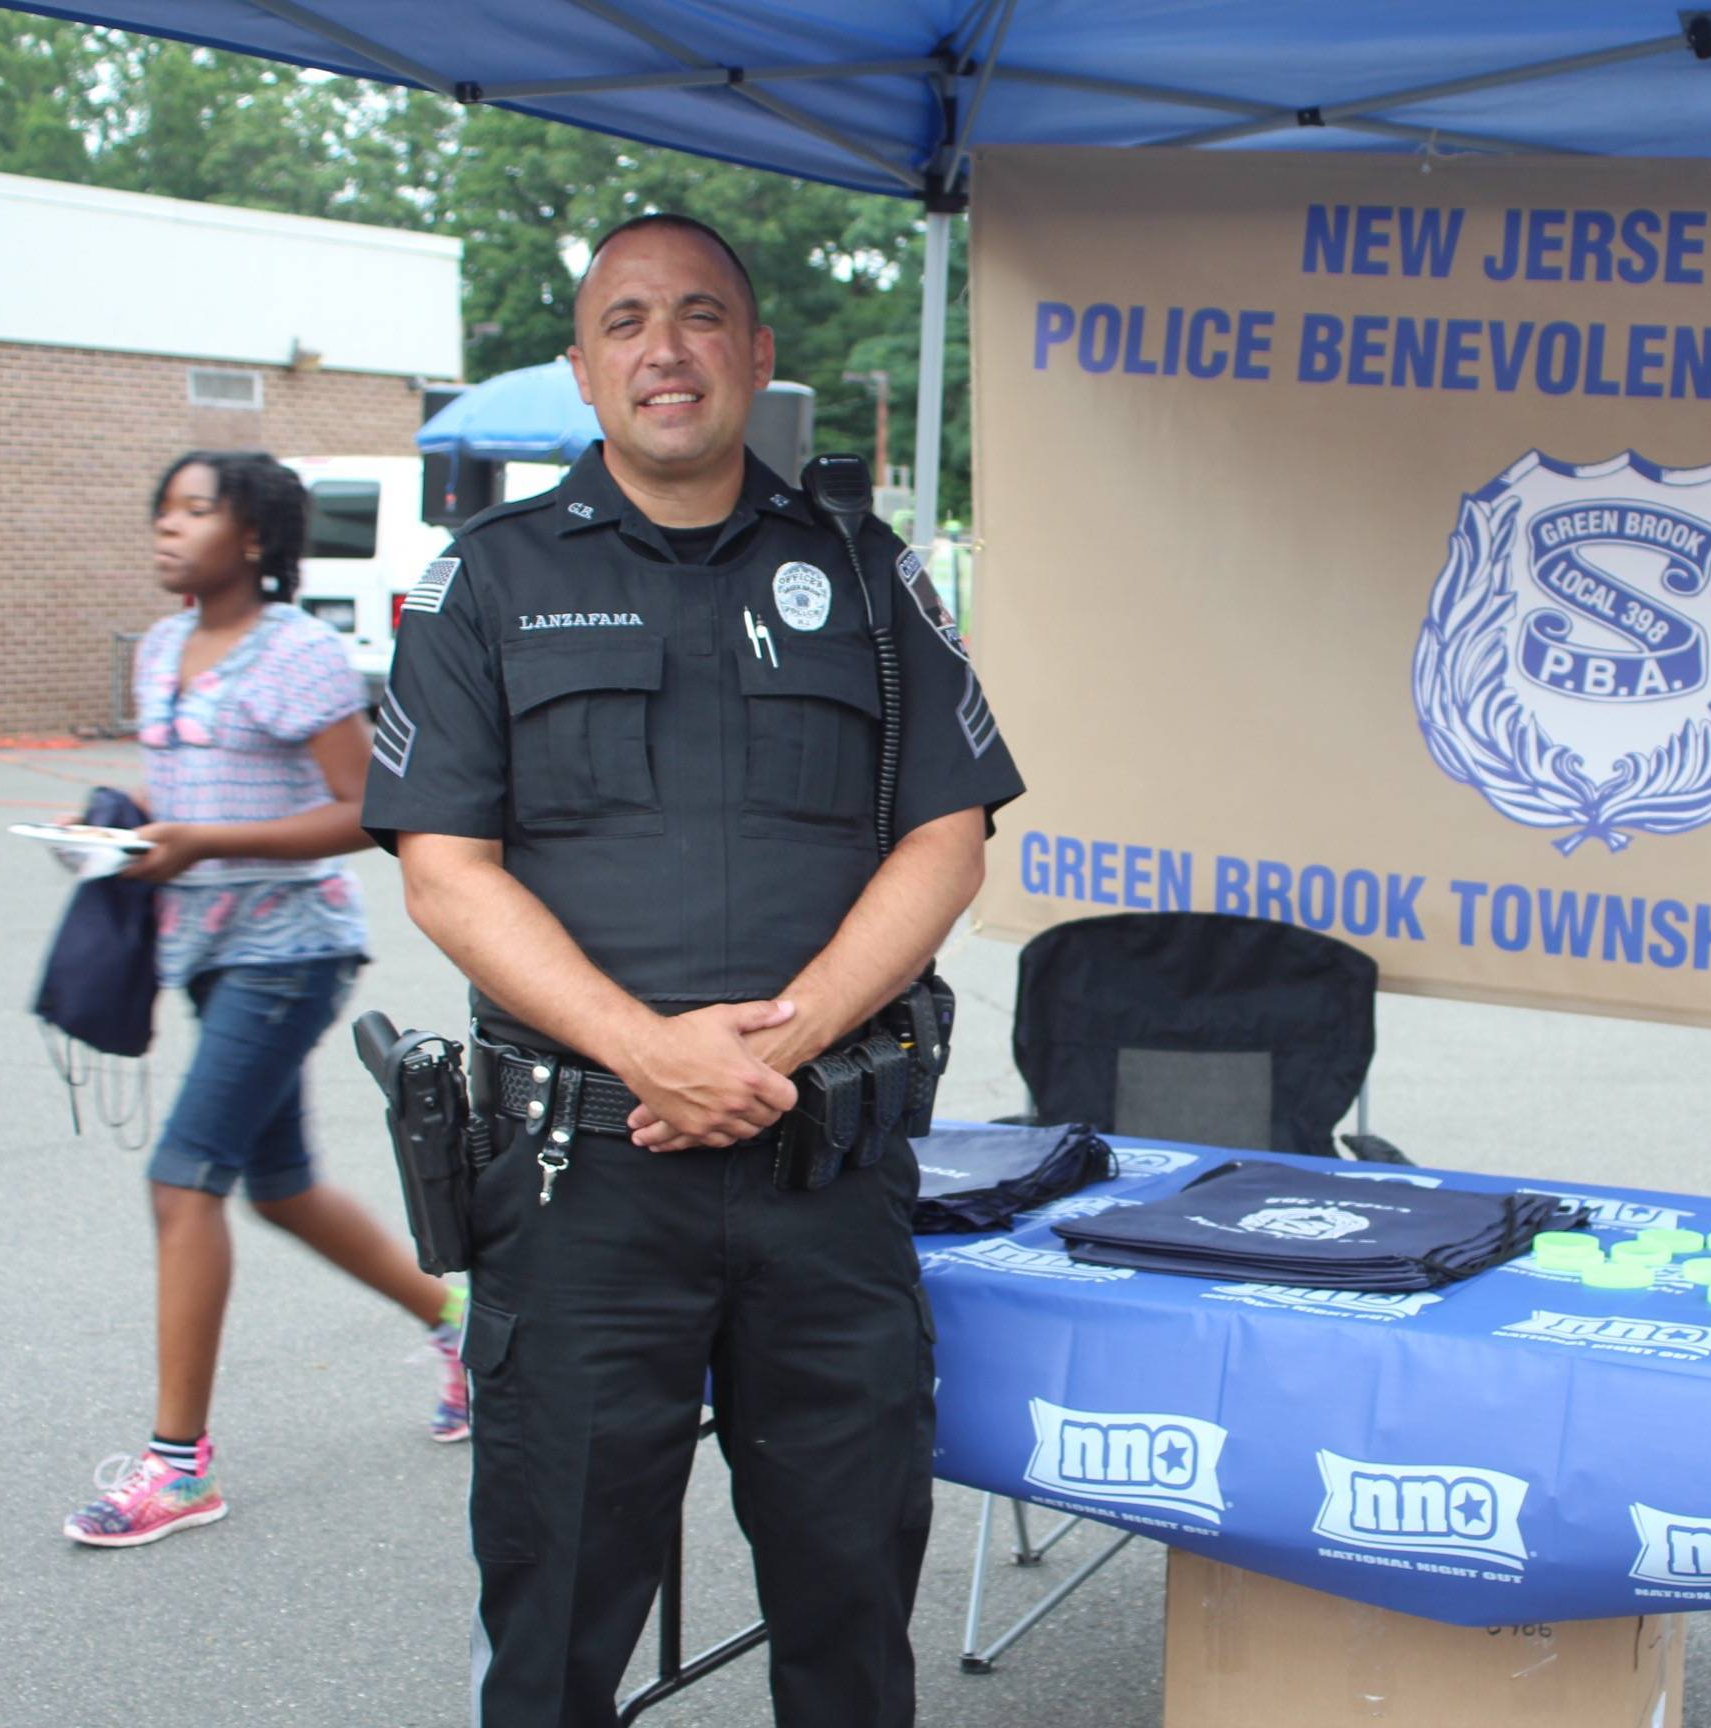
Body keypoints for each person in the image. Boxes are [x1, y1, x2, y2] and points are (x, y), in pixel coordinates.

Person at [361, 214, 1023, 1727]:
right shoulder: (488, 585)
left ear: (758, 354)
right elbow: (443, 872)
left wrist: (772, 1051)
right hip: (585, 1187)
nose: (668, 350)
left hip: (826, 1189)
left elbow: (945, 841)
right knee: (557, 1629)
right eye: (629, 322)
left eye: (703, 315)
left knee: (851, 1617)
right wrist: (649, 1049)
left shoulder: (865, 578)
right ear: (584, 368)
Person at [64, 452, 469, 1551]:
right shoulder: (160, 650)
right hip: (202, 947)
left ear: (254, 539)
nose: (167, 528)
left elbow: (362, 809)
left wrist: (201, 841)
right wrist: (121, 822)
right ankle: (466, 1326)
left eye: (196, 511)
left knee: (183, 1180)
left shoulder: (298, 654)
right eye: (162, 509)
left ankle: (179, 1467)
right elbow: (191, 786)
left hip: (290, 951)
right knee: (282, 1187)